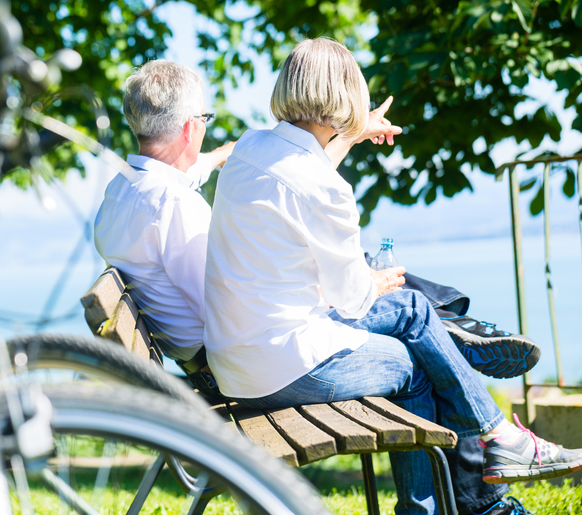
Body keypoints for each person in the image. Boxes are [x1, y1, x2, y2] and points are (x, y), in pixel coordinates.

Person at [94, 59, 545, 515]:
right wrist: (326, 287)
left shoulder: (125, 193)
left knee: (409, 310)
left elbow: (247, 176)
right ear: (191, 127)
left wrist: (341, 135)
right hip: (247, 362)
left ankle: (457, 348)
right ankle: (479, 444)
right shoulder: (176, 209)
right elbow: (225, 295)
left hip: (226, 355)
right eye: (205, 123)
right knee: (418, 354)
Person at [202, 38, 582, 515]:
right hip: (285, 366)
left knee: (416, 316)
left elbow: (299, 178)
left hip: (237, 361)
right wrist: (372, 282)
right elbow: (352, 301)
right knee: (418, 361)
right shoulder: (327, 189)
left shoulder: (250, 148)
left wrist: (351, 135)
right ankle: (482, 458)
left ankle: (493, 441)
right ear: (344, 94)